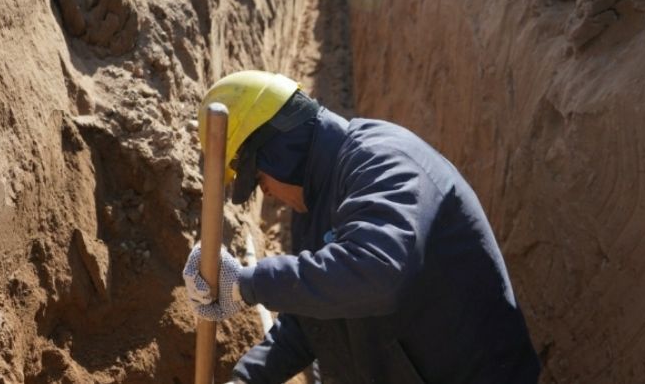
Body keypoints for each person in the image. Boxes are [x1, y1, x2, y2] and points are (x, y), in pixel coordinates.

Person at [183, 70, 541, 383]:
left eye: (260, 178)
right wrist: (250, 378)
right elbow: (315, 317)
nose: (268, 193)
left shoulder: (384, 164)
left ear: (281, 151)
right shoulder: (314, 202)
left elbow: (376, 273)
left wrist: (248, 283)